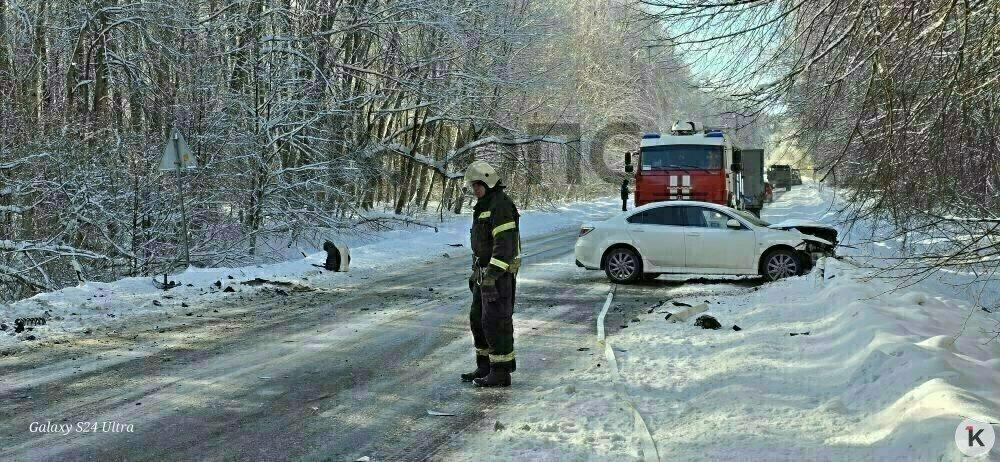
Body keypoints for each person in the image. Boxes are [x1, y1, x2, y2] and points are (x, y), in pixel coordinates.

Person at [460, 160, 521, 388]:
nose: (474, 190)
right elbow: (481, 244)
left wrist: (492, 275)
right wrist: (476, 273)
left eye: (477, 185)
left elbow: (504, 246)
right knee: (478, 320)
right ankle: (485, 365)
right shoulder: (484, 205)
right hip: (482, 275)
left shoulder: (500, 205)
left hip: (498, 276)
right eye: (472, 186)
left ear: (488, 181)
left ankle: (501, 372)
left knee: (496, 322)